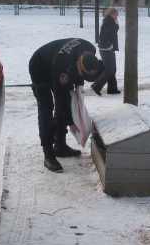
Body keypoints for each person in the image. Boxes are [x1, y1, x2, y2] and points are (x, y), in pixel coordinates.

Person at [29, 38, 100, 172]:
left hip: (59, 64)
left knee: (67, 99)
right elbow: (62, 98)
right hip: (40, 68)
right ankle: (48, 154)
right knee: (47, 107)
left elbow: (77, 79)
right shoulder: (62, 65)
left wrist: (79, 86)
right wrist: (71, 123)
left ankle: (60, 145)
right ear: (78, 63)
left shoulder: (90, 49)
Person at [91, 7, 121, 96]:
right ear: (111, 14)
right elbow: (102, 37)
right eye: (115, 14)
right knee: (109, 68)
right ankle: (96, 86)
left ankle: (112, 89)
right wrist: (109, 45)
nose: (117, 16)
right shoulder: (107, 23)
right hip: (106, 49)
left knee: (113, 69)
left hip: (110, 49)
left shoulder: (112, 22)